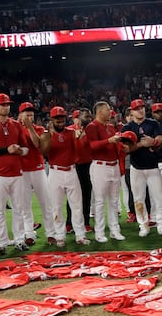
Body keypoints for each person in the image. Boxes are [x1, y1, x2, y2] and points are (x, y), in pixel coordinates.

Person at [0, 93, 30, 255]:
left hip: (16, 173)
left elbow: (26, 148)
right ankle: (1, 242)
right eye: (2, 105)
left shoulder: (16, 125)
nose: (5, 107)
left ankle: (19, 239)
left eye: (7, 104)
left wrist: (20, 150)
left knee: (19, 208)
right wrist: (6, 150)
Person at [42, 106, 92, 246]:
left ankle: (80, 235)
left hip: (71, 171)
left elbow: (79, 150)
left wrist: (80, 138)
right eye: (57, 119)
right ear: (52, 120)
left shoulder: (71, 133)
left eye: (62, 119)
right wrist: (48, 135)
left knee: (77, 205)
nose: (60, 122)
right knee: (56, 206)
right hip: (55, 172)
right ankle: (59, 235)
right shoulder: (47, 134)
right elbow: (44, 152)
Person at [122, 99, 162, 237]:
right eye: (137, 109)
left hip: (153, 167)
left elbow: (160, 138)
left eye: (142, 108)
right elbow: (125, 149)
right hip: (136, 168)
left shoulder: (152, 123)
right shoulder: (127, 127)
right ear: (131, 111)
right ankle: (143, 225)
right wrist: (141, 145)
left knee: (159, 198)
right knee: (138, 199)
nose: (140, 110)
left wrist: (153, 142)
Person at [16, 101, 57, 246]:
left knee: (46, 202)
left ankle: (51, 233)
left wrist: (29, 128)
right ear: (20, 114)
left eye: (31, 113)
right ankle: (29, 234)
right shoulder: (15, 128)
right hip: (21, 171)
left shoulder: (39, 129)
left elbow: (37, 145)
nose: (29, 114)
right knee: (25, 205)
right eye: (26, 112)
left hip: (38, 168)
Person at [86, 101, 126, 242]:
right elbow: (91, 146)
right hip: (100, 166)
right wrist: (109, 140)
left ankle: (115, 230)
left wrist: (121, 147)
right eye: (108, 110)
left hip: (113, 164)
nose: (110, 112)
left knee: (114, 200)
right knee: (100, 201)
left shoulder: (110, 127)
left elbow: (114, 146)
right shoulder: (92, 127)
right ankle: (100, 232)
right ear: (99, 112)